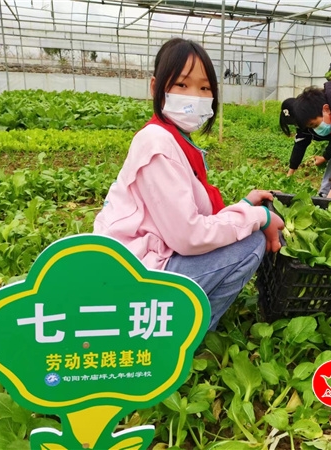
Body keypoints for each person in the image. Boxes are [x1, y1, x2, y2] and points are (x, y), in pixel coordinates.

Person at [93, 38, 284, 331]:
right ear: (156, 87)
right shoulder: (157, 144)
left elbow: (190, 216)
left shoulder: (174, 138)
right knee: (250, 244)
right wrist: (259, 216)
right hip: (134, 275)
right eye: (182, 85)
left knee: (243, 232)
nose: (195, 96)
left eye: (205, 88)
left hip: (145, 257)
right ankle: (184, 335)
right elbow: (189, 236)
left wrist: (244, 206)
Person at [279, 98, 331, 197]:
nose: (298, 125)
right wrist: (290, 173)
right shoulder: (303, 127)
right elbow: (299, 146)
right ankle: (325, 193)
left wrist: (325, 157)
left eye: (297, 122)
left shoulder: (323, 117)